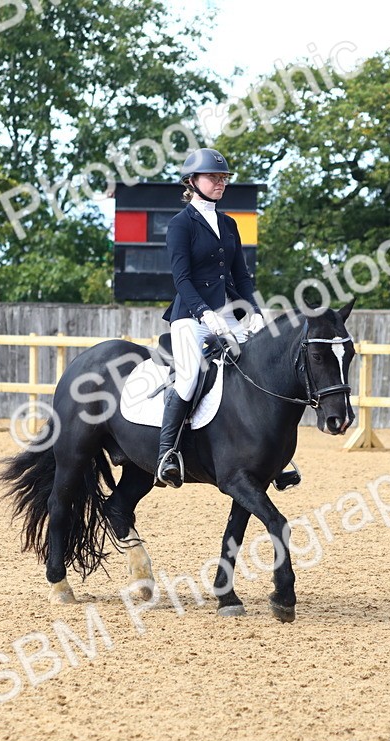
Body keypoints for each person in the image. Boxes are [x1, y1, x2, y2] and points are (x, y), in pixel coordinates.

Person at [155, 148, 265, 488]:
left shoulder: (229, 224)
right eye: (213, 177)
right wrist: (204, 312)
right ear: (192, 181)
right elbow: (182, 279)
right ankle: (167, 454)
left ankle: (269, 453)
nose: (220, 183)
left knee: (256, 367)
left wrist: (255, 312)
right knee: (189, 377)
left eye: (223, 178)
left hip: (227, 314)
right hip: (190, 315)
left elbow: (241, 276)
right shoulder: (180, 224)